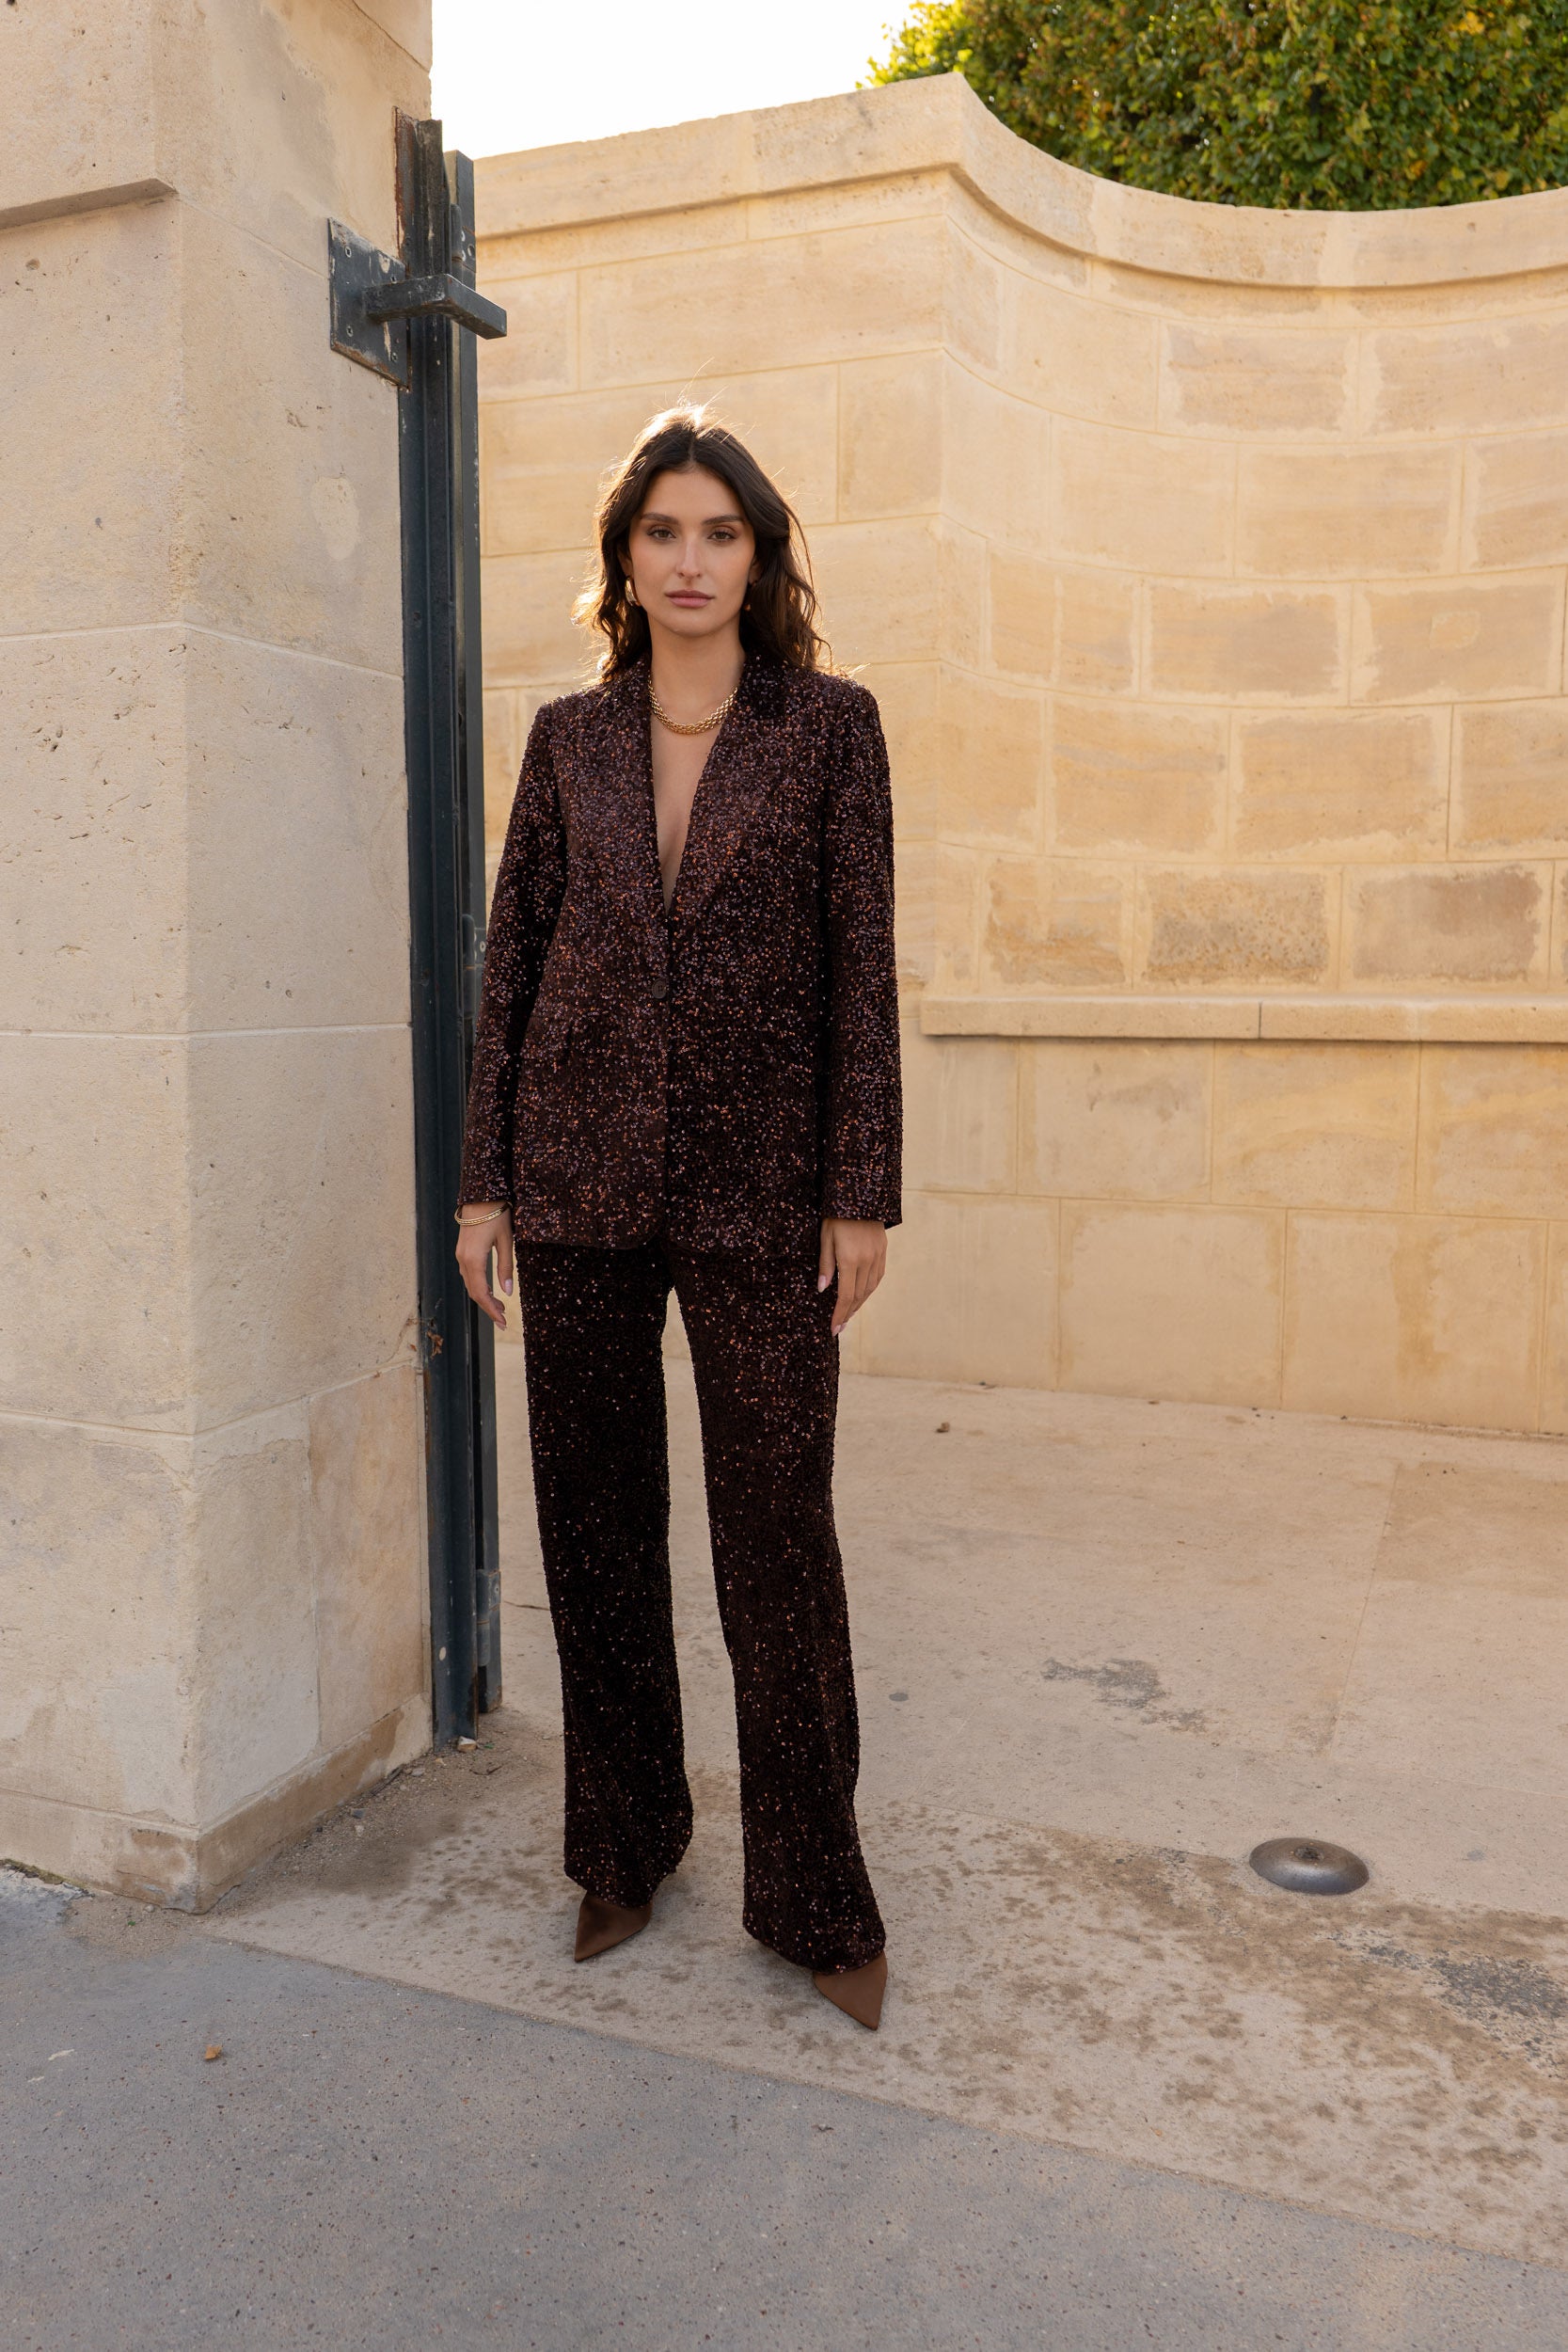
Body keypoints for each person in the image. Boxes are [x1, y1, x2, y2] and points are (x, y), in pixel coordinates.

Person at [453, 405, 901, 2031]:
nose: (692, 560)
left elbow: (864, 969)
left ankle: (813, 1894)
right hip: (571, 1178)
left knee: (778, 1539)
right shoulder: (568, 741)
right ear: (624, 562)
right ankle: (624, 1847)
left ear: (760, 554)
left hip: (764, 1192)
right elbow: (514, 960)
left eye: (721, 532)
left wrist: (861, 1194)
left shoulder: (834, 730)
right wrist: (481, 1180)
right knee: (594, 1530)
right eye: (664, 533)